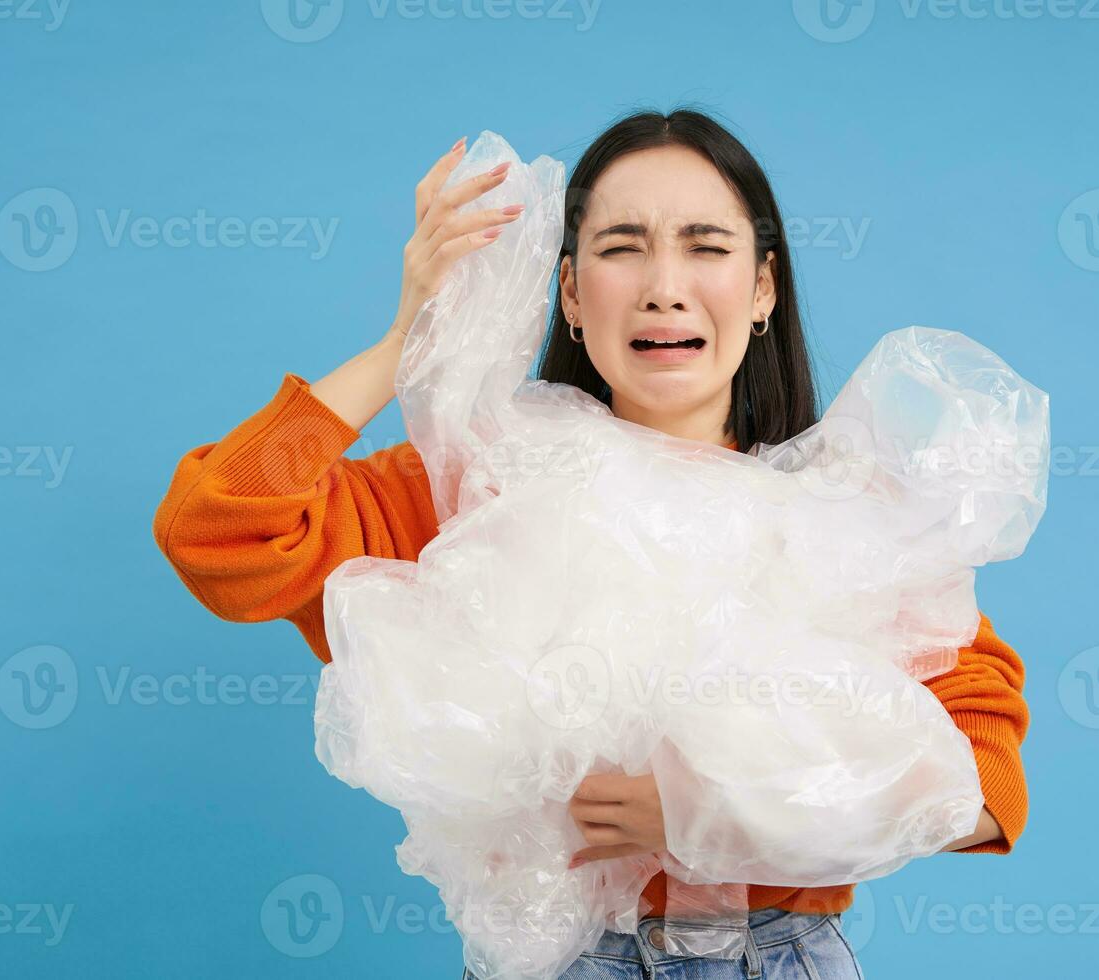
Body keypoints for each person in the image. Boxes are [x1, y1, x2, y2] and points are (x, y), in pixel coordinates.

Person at [152, 107, 1030, 979]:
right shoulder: (479, 489)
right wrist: (406, 340)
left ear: (763, 288)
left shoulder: (847, 518)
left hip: (782, 959)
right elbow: (217, 523)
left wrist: (720, 811)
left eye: (705, 246)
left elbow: (983, 790)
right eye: (622, 247)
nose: (664, 285)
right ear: (571, 293)